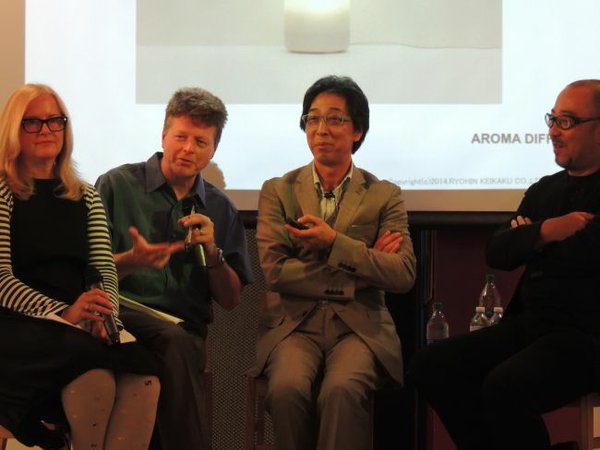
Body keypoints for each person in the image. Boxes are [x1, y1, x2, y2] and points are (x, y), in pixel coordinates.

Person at [408, 79, 600, 450]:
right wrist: (549, 231)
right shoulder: (545, 190)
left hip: (585, 335)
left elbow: (588, 254)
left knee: (504, 386)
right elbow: (498, 252)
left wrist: (529, 240)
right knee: (429, 366)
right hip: (530, 327)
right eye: (552, 119)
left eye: (567, 121)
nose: (553, 132)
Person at [255, 75, 417, 450]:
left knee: (341, 391)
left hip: (359, 326)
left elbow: (403, 274)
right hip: (294, 324)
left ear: (357, 131)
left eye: (334, 119)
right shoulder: (278, 190)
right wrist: (361, 267)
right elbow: (276, 271)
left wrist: (333, 243)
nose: (321, 129)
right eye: (312, 119)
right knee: (286, 389)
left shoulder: (383, 194)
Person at [0, 83, 160, 450]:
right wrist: (64, 313)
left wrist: (107, 321)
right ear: (14, 129)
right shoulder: (4, 191)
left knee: (145, 376)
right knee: (95, 376)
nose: (46, 130)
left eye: (55, 121)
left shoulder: (85, 194)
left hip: (79, 323)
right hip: (19, 322)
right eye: (33, 122)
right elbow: (1, 279)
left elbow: (103, 270)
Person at [95, 86, 253, 449]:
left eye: (200, 141)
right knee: (175, 345)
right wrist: (132, 261)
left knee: (179, 344)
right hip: (121, 314)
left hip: (185, 329)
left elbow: (230, 299)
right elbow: (84, 274)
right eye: (180, 136)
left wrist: (213, 253)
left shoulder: (220, 207)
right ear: (164, 134)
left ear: (213, 149)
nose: (188, 148)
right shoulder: (117, 185)